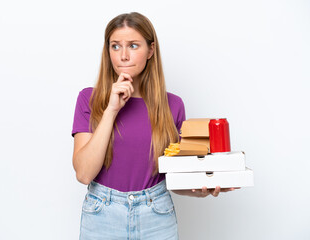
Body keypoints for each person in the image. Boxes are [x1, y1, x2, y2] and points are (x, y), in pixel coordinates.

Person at [72, 12, 236, 239]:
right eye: (115, 46)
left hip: (156, 216)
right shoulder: (89, 99)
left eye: (133, 45)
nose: (124, 56)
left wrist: (203, 189)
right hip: (102, 217)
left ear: (150, 50)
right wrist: (111, 110)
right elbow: (83, 173)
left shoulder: (173, 105)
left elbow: (174, 177)